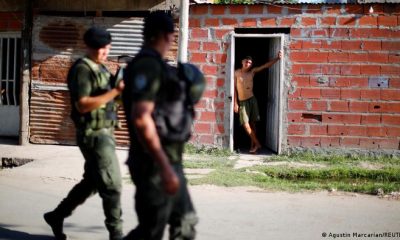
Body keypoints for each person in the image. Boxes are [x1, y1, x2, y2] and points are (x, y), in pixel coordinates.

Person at [122, 12, 203, 240]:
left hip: (168, 161)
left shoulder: (156, 65)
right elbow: (141, 117)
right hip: (154, 165)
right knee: (151, 231)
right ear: (166, 35)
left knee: (185, 224)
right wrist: (165, 167)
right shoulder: (147, 66)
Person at [44, 27, 124, 240]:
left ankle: (57, 215)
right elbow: (82, 105)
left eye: (106, 48)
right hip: (93, 134)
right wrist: (115, 91)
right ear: (88, 47)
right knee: (111, 184)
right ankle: (116, 234)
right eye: (99, 49)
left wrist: (123, 91)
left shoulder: (103, 69)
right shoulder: (83, 69)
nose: (103, 53)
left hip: (106, 131)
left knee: (92, 182)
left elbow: (110, 100)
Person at [234, 52, 282, 154]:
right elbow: (233, 89)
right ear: (242, 62)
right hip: (242, 102)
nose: (248, 63)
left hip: (252, 100)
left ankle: (253, 147)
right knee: (245, 125)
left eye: (250, 62)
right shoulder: (236, 73)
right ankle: (258, 144)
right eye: (246, 61)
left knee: (253, 124)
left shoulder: (252, 72)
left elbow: (265, 66)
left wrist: (277, 58)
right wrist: (235, 103)